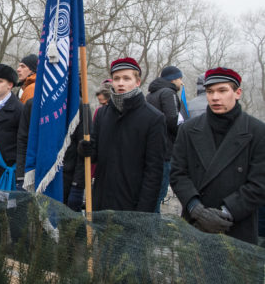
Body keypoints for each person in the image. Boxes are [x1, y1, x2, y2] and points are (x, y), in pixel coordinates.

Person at [170, 67, 265, 244]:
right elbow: (177, 173)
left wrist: (226, 212)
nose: (215, 97)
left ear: (237, 93)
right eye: (210, 91)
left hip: (237, 228)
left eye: (222, 91)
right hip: (195, 225)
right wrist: (196, 209)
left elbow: (259, 184)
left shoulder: (257, 132)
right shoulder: (189, 130)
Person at [79, 57, 166, 212]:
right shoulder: (102, 114)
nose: (120, 83)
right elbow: (94, 155)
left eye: (126, 78)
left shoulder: (153, 118)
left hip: (132, 204)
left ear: (137, 82)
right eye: (116, 78)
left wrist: (144, 211)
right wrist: (85, 149)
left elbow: (154, 171)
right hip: (102, 201)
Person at [146, 65, 184, 212]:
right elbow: (173, 120)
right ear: (173, 79)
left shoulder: (151, 95)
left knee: (151, 194)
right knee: (159, 194)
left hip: (151, 150)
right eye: (180, 78)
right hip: (165, 151)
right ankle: (153, 230)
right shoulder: (169, 93)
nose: (181, 83)